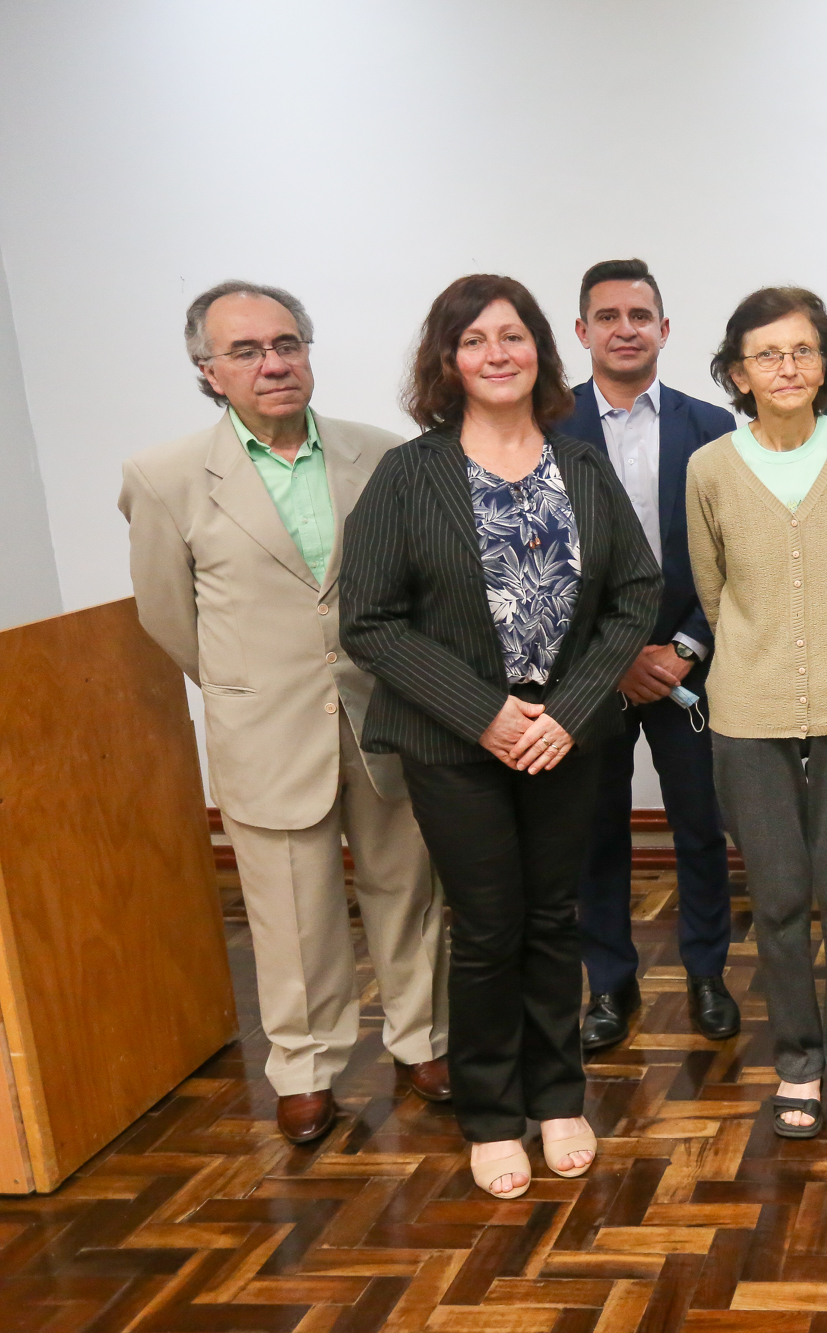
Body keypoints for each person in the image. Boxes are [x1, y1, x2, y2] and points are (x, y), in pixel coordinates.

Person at [342, 274, 661, 1196]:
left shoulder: (584, 465)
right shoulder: (410, 474)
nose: (496, 352)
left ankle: (558, 1096)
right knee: (487, 928)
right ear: (449, 360)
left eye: (512, 336)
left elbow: (634, 592)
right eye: (474, 339)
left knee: (553, 920)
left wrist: (568, 709)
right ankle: (490, 1113)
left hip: (565, 738)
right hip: (456, 742)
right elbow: (368, 618)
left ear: (539, 352)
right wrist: (485, 711)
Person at [120, 281, 449, 1147]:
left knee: (408, 890)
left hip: (385, 715)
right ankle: (305, 1072)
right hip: (265, 729)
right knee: (292, 912)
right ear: (208, 372)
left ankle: (425, 1041)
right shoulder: (164, 478)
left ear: (308, 351)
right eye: (247, 351)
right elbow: (167, 615)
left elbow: (414, 590)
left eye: (287, 343)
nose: (274, 363)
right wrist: (246, 686)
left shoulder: (381, 455)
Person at [687, 287, 827, 1143]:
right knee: (777, 899)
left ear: (825, 364)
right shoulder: (710, 466)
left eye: (803, 351)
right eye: (768, 354)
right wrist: (758, 660)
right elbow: (713, 589)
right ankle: (798, 1060)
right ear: (738, 371)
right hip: (749, 710)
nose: (787, 367)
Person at [559, 259, 739, 1049]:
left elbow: (736, 556)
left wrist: (687, 646)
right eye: (608, 316)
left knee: (701, 825)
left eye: (640, 315)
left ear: (665, 330)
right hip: (588, 675)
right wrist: (617, 657)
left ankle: (708, 974)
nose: (624, 328)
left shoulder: (714, 428)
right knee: (596, 832)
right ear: (582, 332)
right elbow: (539, 565)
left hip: (690, 667)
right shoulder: (544, 428)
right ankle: (611, 985)